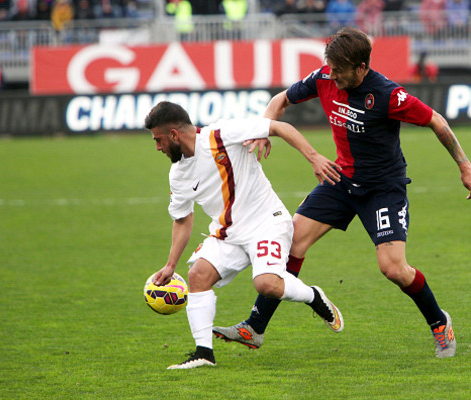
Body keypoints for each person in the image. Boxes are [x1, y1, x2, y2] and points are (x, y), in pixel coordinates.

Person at [213, 27, 471, 358]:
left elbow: (437, 122)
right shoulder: (324, 78)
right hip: (340, 181)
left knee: (393, 269)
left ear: (361, 68)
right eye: (329, 67)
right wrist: (263, 130)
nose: (332, 75)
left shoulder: (388, 94)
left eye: (339, 70)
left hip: (382, 189)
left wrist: (465, 165)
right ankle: (254, 328)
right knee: (291, 241)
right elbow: (280, 100)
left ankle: (438, 321)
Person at [144, 101, 344, 370]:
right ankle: (204, 353)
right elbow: (182, 220)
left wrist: (314, 157)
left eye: (158, 140)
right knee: (197, 276)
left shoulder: (221, 134)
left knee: (267, 285)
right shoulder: (178, 174)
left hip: (267, 223)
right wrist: (170, 264)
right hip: (228, 233)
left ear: (174, 135)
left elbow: (280, 126)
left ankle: (313, 296)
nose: (157, 147)